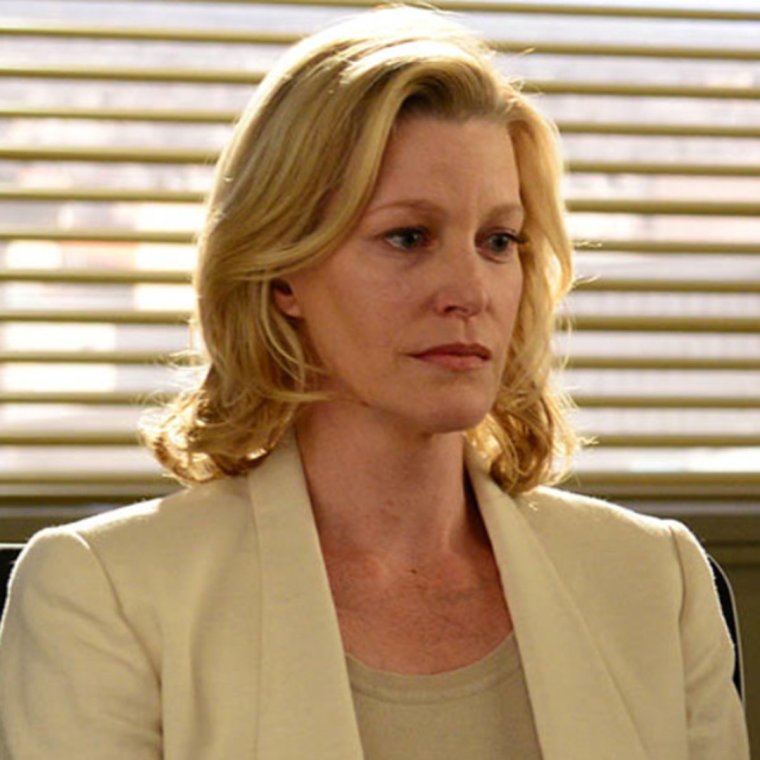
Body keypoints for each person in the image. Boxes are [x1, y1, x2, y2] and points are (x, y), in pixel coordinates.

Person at [0, 7, 749, 759]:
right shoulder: (107, 595)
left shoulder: (656, 581)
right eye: (408, 237)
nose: (470, 291)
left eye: (498, 240)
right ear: (284, 271)